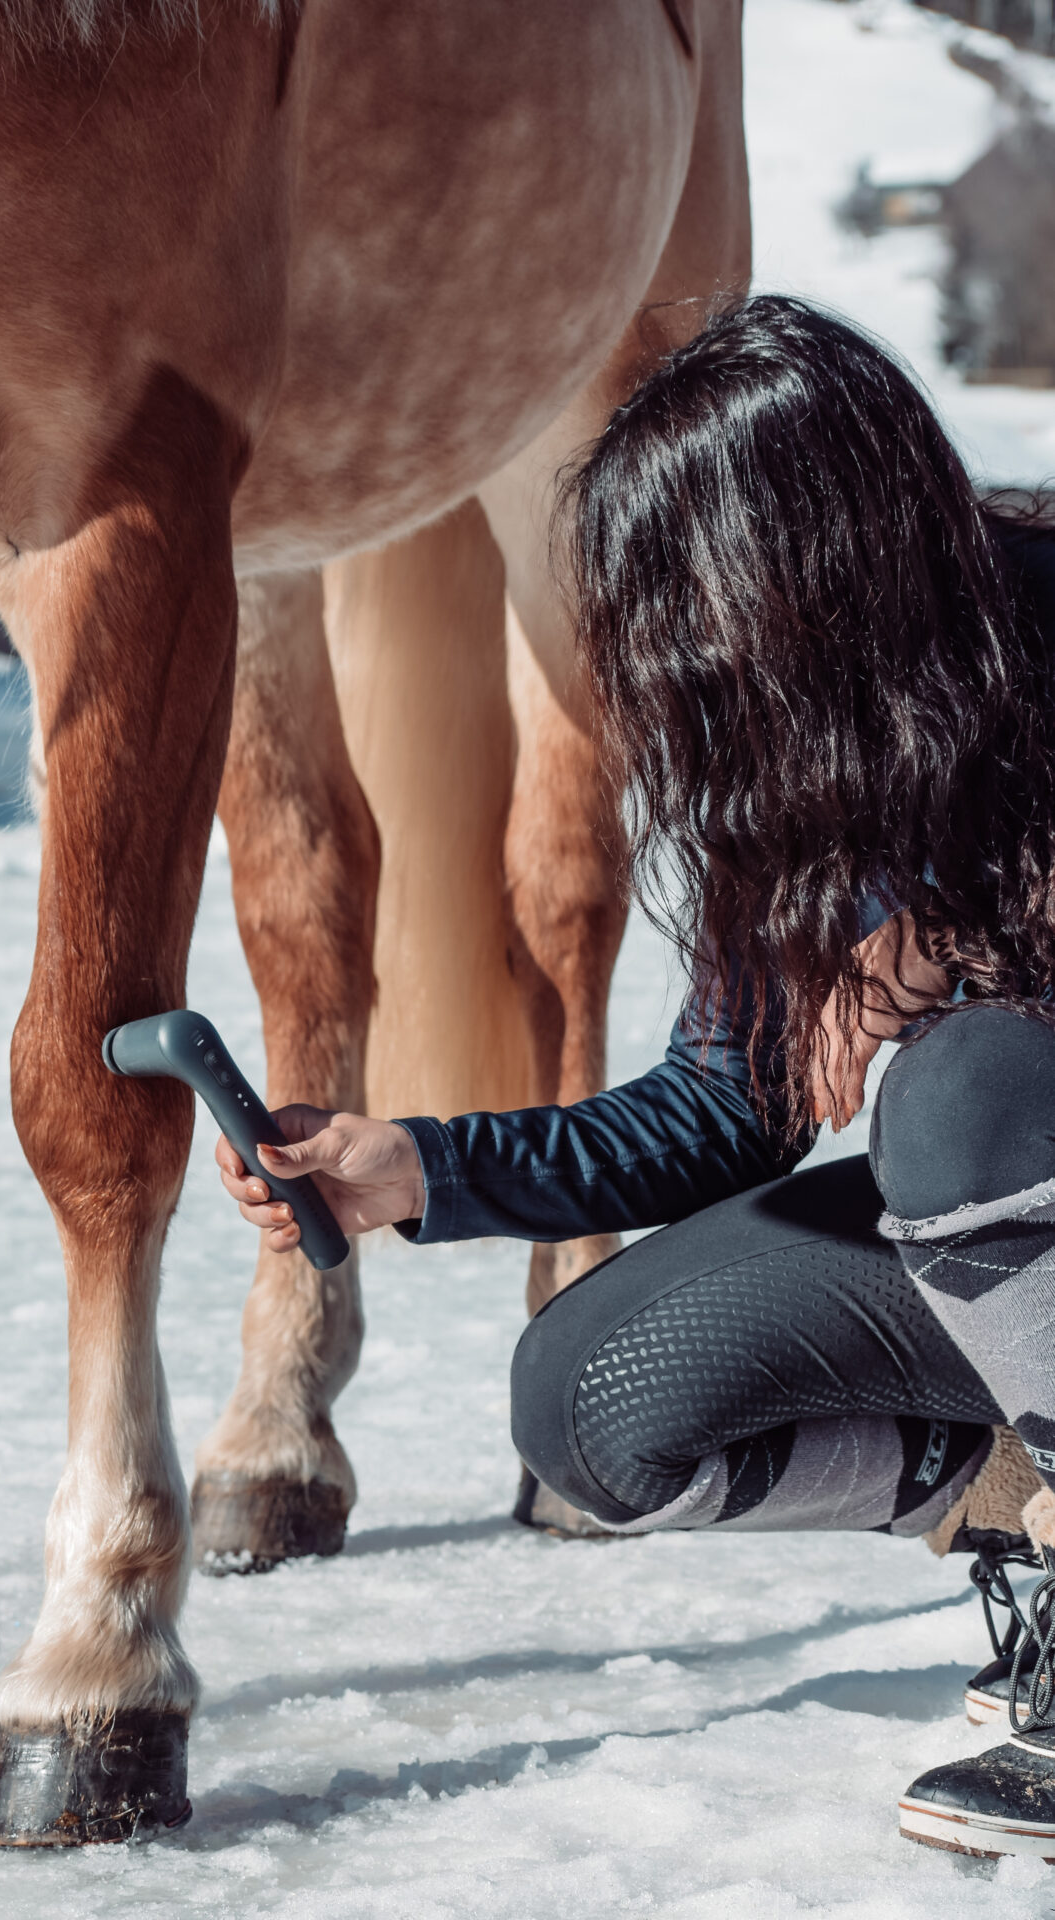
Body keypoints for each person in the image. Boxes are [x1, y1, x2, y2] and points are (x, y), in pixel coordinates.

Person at [216, 295, 1055, 1864]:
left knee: (959, 1095)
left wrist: (972, 943)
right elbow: (717, 1105)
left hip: (1009, 1148)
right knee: (594, 1403)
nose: (685, 665)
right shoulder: (799, 768)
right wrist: (417, 1169)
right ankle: (1025, 1490)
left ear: (836, 550)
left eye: (705, 607)